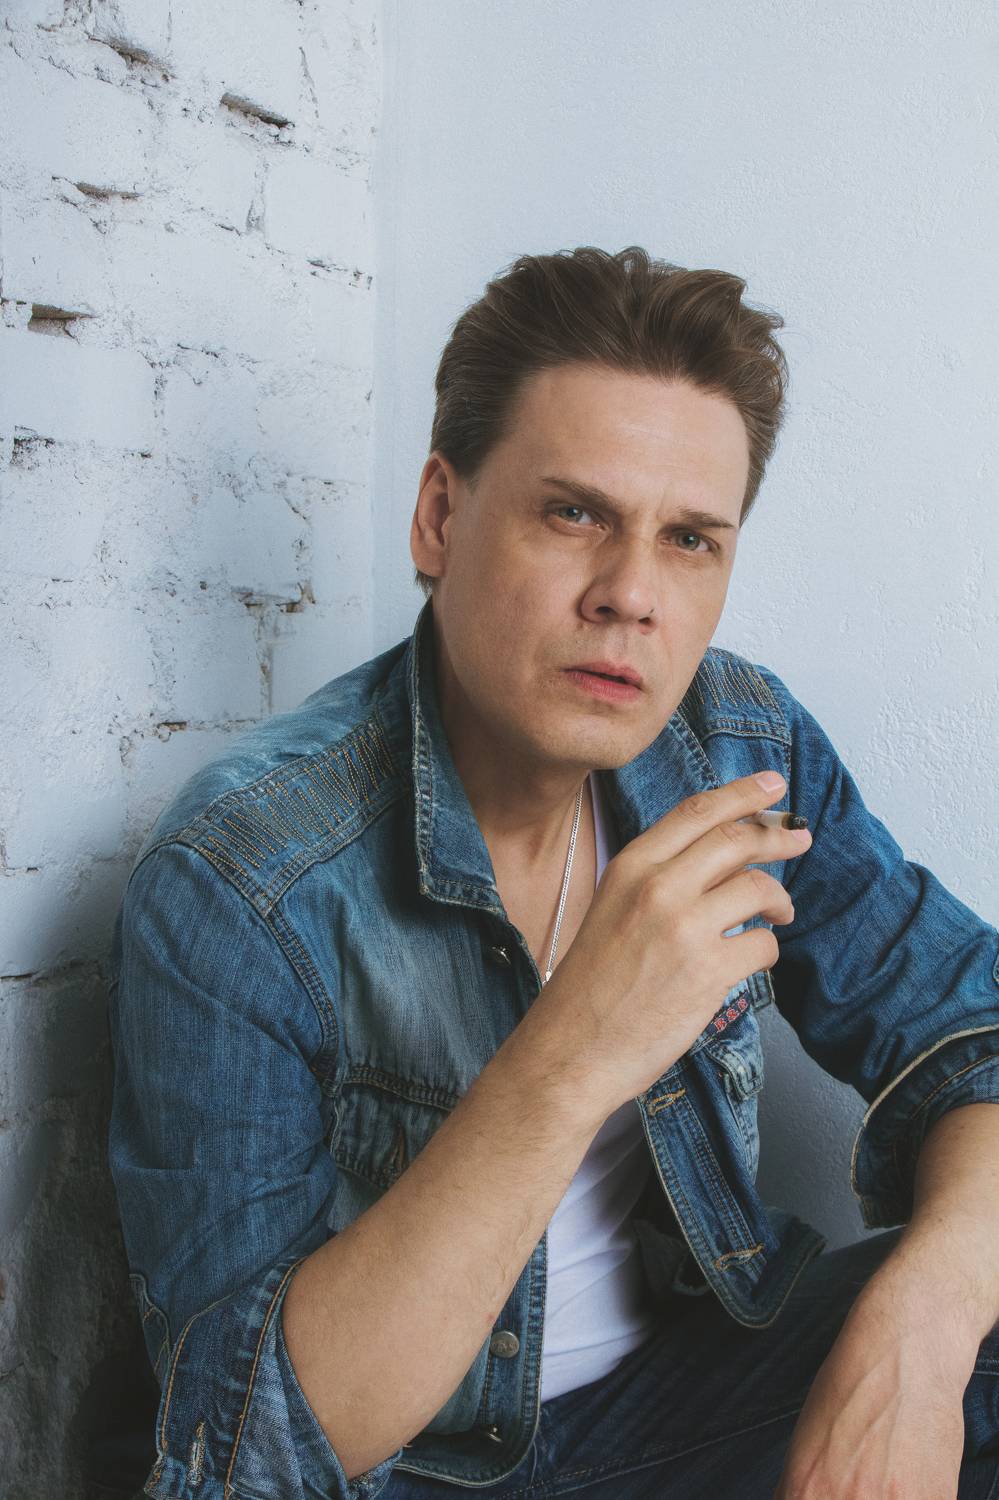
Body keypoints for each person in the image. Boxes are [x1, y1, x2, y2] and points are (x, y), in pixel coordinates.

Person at [106, 246, 999, 1500]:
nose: (631, 596)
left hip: (684, 1408)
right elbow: (256, 1443)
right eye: (574, 514)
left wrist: (925, 1324)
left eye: (689, 539)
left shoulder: (737, 749)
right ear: (441, 515)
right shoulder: (244, 878)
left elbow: (972, 1032)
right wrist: (576, 1050)